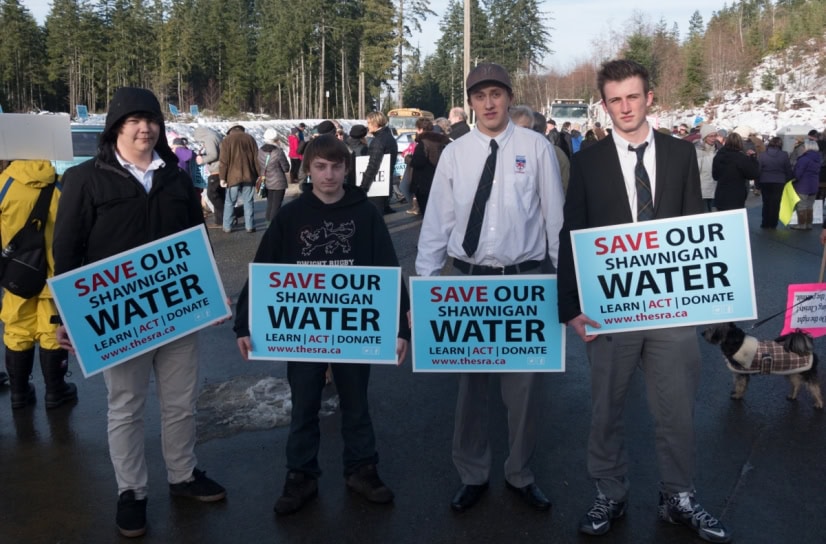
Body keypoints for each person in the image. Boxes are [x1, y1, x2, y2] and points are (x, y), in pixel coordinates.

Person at [557, 59, 732, 543]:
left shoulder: (679, 155)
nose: (625, 107)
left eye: (632, 96)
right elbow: (571, 232)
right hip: (609, 306)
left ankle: (679, 496)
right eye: (615, 100)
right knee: (607, 408)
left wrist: (710, 300)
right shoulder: (589, 160)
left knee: (676, 409)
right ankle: (609, 493)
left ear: (649, 97)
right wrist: (569, 305)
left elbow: (696, 228)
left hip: (671, 307)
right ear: (605, 104)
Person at [53, 87, 226, 538]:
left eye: (150, 120)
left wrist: (212, 296)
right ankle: (131, 491)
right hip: (119, 317)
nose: (144, 128)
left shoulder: (175, 177)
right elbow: (67, 250)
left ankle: (183, 476)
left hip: (178, 312)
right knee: (125, 407)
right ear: (116, 127)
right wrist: (64, 316)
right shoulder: (85, 178)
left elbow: (197, 239)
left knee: (180, 403)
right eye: (133, 120)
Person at [233, 134, 411, 516]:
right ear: (308, 170)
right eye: (320, 167)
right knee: (304, 405)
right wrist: (243, 323)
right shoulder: (292, 216)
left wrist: (400, 326)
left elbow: (388, 268)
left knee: (356, 403)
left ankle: (362, 468)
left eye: (335, 167)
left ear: (347, 169)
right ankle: (301, 475)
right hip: (303, 331)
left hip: (354, 329)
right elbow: (263, 270)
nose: (328, 175)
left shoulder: (365, 214)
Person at [416, 62, 564, 514]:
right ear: (471, 102)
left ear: (508, 97)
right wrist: (423, 285)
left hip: (525, 282)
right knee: (472, 390)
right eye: (480, 95)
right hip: (468, 283)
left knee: (524, 392)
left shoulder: (536, 147)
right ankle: (472, 473)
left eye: (496, 93)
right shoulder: (455, 154)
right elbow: (437, 221)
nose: (489, 102)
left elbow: (554, 219)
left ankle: (520, 473)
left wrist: (566, 285)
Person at [0, 159, 77, 410]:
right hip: (53, 276)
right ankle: (55, 393)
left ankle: (19, 394)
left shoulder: (3, 184)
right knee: (52, 332)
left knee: (17, 329)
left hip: (16, 275)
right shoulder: (59, 187)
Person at [219, 125, 260, 233]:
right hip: (249, 175)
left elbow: (223, 161)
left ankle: (227, 227)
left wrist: (222, 178)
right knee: (248, 201)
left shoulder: (226, 140)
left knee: (229, 202)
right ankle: (250, 226)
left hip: (232, 177)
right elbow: (256, 158)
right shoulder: (250, 138)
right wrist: (260, 174)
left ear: (230, 131)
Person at [407, 116, 449, 216]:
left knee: (426, 212)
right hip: (439, 180)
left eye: (417, 129)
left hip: (423, 182)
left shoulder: (423, 143)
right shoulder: (441, 141)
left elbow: (418, 162)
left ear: (421, 129)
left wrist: (408, 158)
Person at [359, 111, 397, 215]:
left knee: (374, 218)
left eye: (368, 123)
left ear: (375, 123)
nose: (367, 126)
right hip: (385, 183)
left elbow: (373, 165)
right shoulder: (389, 137)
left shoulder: (378, 140)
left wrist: (363, 186)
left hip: (376, 185)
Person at [712, 132, 760, 211]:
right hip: (736, 195)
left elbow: (715, 176)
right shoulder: (741, 158)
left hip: (721, 194)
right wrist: (753, 159)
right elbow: (753, 174)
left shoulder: (718, 156)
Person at [758, 136, 793, 228]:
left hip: (765, 180)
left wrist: (757, 183)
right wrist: (787, 180)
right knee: (776, 203)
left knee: (766, 202)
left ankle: (765, 223)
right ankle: (773, 223)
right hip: (779, 181)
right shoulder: (784, 155)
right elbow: (788, 169)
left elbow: (759, 170)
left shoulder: (762, 155)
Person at [193, 126, 224, 228]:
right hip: (221, 168)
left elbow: (213, 155)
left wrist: (202, 159)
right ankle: (224, 219)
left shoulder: (209, 138)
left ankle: (223, 218)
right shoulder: (215, 136)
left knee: (212, 195)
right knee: (220, 195)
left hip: (216, 170)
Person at [258, 128, 290, 224]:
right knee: (276, 205)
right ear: (276, 140)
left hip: (266, 181)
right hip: (278, 182)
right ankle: (273, 226)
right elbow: (286, 168)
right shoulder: (278, 152)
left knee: (270, 204)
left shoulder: (260, 151)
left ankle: (268, 223)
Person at [791, 139, 822, 230]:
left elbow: (798, 173)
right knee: (809, 205)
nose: (802, 148)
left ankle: (801, 224)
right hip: (814, 184)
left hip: (803, 185)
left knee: (802, 205)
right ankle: (808, 224)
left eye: (803, 146)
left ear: (807, 147)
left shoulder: (804, 159)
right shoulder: (818, 158)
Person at [695, 124, 720, 212]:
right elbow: (695, 172)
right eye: (710, 136)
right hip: (703, 191)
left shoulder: (717, 149)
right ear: (705, 137)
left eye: (715, 135)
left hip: (715, 187)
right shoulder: (698, 151)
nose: (713, 138)